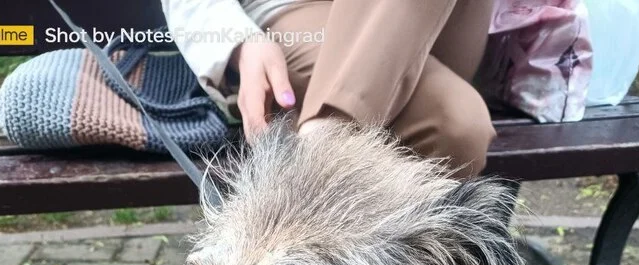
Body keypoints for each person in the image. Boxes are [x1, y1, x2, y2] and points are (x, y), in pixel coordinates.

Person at [161, 0, 497, 178]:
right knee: (457, 125)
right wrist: (237, 42)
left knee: (454, 124)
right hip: (296, 14)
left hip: (448, 17)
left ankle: (317, 156)